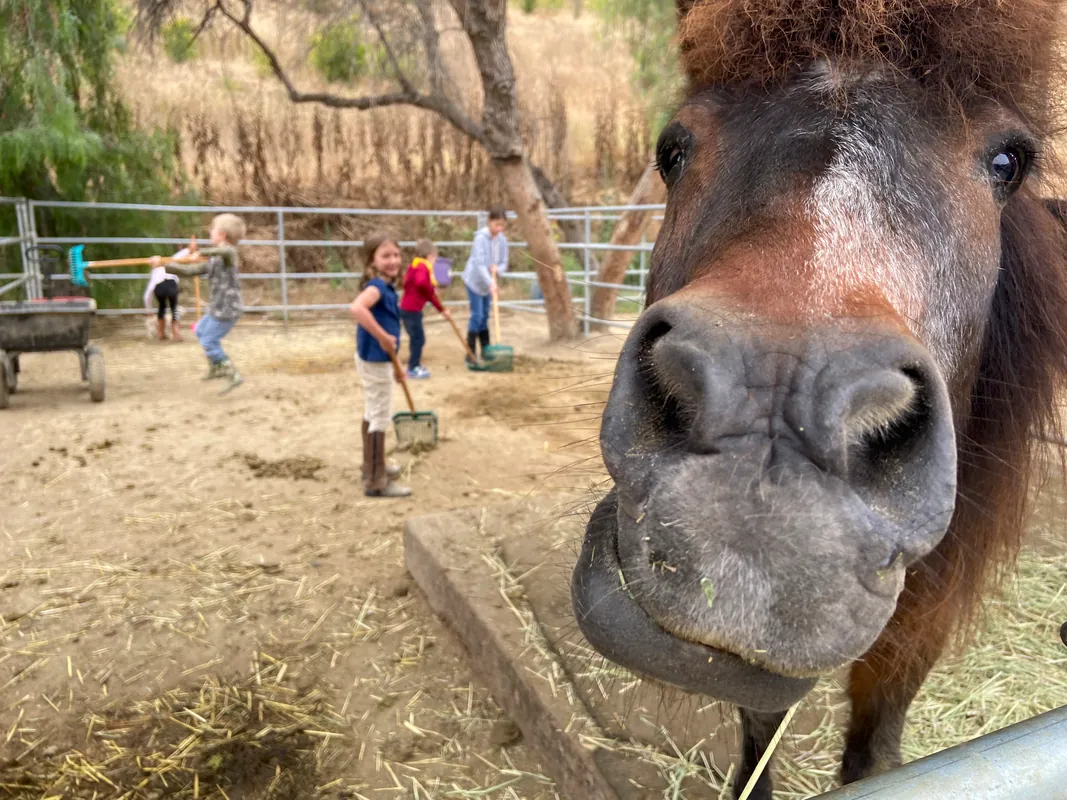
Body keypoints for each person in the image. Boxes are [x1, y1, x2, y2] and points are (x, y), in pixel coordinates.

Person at [153, 213, 246, 394]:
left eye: (212, 230)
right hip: (217, 308)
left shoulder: (229, 253)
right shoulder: (214, 259)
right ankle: (216, 367)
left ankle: (233, 374)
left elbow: (225, 251)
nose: (209, 233)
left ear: (222, 235)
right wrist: (163, 264)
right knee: (201, 330)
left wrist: (200, 252)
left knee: (209, 341)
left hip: (228, 309)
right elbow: (191, 270)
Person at [350, 233, 412, 499]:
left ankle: (372, 464)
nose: (393, 260)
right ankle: (377, 481)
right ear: (372, 261)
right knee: (380, 416)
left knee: (372, 411)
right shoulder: (375, 287)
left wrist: (396, 364)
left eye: (396, 255)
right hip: (375, 359)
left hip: (378, 359)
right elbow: (356, 309)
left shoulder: (386, 287)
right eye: (385, 256)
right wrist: (383, 337)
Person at [462, 208, 508, 367]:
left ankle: (486, 350)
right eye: (496, 224)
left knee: (485, 317)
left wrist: (498, 270)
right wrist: (491, 283)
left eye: (502, 225)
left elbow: (504, 261)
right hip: (475, 282)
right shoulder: (480, 238)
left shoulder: (502, 240)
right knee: (477, 315)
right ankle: (470, 353)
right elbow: (480, 264)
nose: (499, 229)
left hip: (489, 284)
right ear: (489, 221)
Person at [399, 239, 452, 379]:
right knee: (418, 339)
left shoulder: (414, 266)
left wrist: (436, 300)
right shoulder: (422, 268)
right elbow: (422, 284)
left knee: (416, 338)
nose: (435, 262)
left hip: (407, 309)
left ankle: (414, 365)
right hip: (412, 310)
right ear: (429, 256)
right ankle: (413, 368)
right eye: (435, 258)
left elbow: (412, 285)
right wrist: (431, 288)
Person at [145, 245, 186, 341]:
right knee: (174, 308)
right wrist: (188, 249)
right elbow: (179, 256)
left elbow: (147, 294)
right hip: (171, 285)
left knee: (161, 308)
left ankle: (161, 333)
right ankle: (176, 333)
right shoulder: (169, 264)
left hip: (159, 287)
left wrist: (149, 310)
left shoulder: (155, 272)